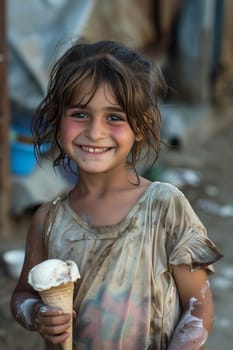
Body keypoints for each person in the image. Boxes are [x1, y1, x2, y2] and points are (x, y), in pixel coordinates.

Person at [11, 39, 223, 350]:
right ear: (56, 119)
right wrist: (37, 313)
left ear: (141, 126)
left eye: (114, 117)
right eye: (80, 114)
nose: (95, 131)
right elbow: (22, 296)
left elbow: (199, 308)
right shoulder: (49, 219)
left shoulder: (165, 206)